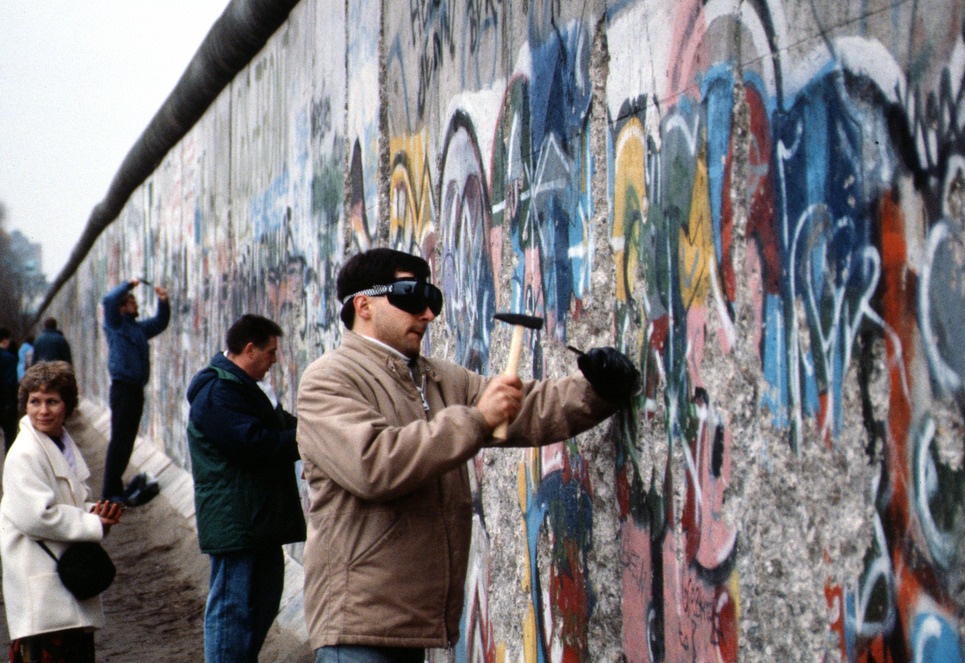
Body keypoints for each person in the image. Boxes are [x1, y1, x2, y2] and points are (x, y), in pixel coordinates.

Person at [296, 248, 641, 662]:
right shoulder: (329, 380)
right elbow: (374, 464)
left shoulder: (439, 378)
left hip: (406, 625)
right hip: (355, 629)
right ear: (363, 304)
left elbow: (524, 408)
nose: (427, 313)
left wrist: (596, 391)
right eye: (410, 296)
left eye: (433, 299)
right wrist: (476, 419)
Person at [186, 314, 306, 663]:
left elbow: (282, 426)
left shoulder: (244, 388)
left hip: (258, 520)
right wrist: (310, 439)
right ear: (249, 349)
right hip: (237, 523)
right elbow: (252, 443)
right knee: (232, 612)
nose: (274, 360)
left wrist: (320, 430)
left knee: (260, 605)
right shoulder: (218, 392)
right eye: (270, 352)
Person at [0, 361, 124, 662]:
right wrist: (92, 523)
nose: (43, 411)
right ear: (25, 404)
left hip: (56, 584)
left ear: (66, 406)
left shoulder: (58, 444)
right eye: (35, 402)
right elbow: (36, 516)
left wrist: (94, 511)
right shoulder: (25, 453)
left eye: (52, 402)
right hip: (41, 590)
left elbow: (62, 502)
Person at [101, 279, 170, 505]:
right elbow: (108, 299)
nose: (135, 304)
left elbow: (160, 322)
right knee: (120, 439)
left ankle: (115, 488)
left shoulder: (138, 328)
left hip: (135, 389)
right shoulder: (115, 323)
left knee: (127, 440)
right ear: (122, 306)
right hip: (122, 388)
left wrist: (163, 302)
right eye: (131, 301)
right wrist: (128, 285)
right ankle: (110, 491)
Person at [0, 327, 19, 452]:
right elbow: (11, 383)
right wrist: (12, 404)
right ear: (5, 340)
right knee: (10, 438)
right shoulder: (9, 358)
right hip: (5, 404)